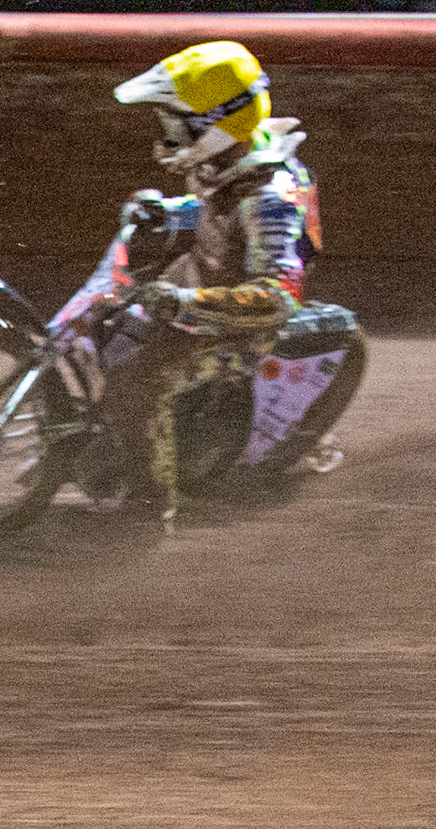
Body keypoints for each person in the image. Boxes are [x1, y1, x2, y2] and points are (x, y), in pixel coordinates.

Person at [91, 40, 327, 519]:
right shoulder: (229, 163)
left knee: (135, 384)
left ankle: (149, 509)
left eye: (176, 125)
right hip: (201, 288)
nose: (168, 137)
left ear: (216, 124)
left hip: (240, 328)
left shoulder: (270, 197)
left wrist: (183, 302)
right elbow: (214, 210)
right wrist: (168, 212)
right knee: (105, 322)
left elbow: (277, 297)